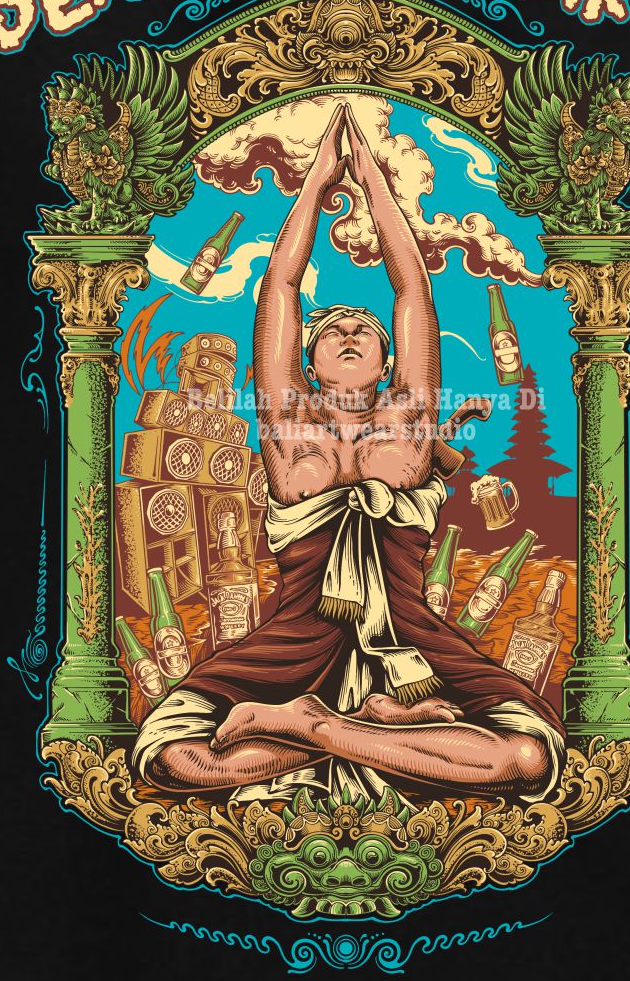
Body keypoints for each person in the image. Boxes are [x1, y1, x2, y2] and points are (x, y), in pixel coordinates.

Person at [131, 101, 562, 803]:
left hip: (412, 637)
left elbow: (412, 286)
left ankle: (319, 727)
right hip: (294, 638)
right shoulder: (288, 422)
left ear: (391, 361)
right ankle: (387, 740)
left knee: (527, 758)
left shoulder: (409, 417)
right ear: (308, 361)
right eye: (333, 331)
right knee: (175, 759)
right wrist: (317, 181)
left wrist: (373, 179)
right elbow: (280, 285)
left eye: (366, 331)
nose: (351, 333)